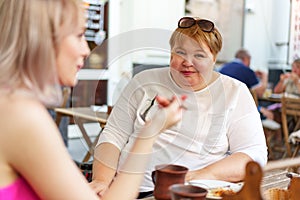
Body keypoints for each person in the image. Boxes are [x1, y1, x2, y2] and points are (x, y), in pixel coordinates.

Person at [0, 0, 186, 199]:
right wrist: (150, 132)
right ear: (41, 38)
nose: (86, 50)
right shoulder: (22, 115)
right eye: (79, 35)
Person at [91, 17, 268, 198]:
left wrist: (192, 177)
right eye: (180, 52)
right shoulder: (143, 81)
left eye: (199, 55)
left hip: (193, 193)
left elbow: (253, 154)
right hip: (129, 191)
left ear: (214, 58)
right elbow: (113, 135)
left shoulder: (234, 91)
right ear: (170, 53)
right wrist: (102, 180)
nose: (187, 62)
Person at [219, 49, 275, 120]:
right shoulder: (246, 70)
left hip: (222, 108)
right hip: (240, 110)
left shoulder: (222, 68)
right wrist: (265, 76)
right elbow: (260, 93)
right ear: (246, 59)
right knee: (269, 114)